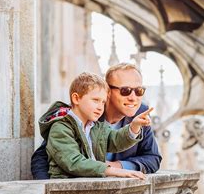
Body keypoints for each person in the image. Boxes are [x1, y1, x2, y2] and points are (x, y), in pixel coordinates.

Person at [31, 63, 162, 179]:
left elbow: (153, 158)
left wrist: (118, 167)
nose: (133, 98)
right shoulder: (84, 113)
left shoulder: (140, 113)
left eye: (139, 91)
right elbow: (42, 157)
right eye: (125, 91)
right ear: (108, 91)